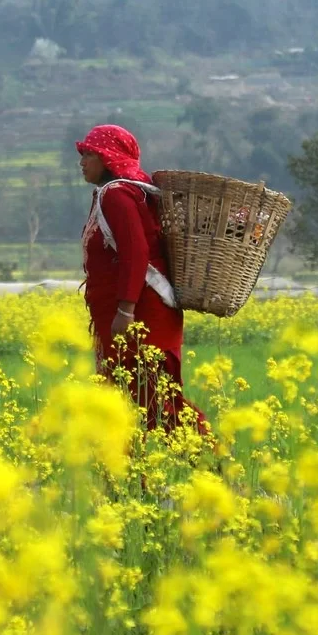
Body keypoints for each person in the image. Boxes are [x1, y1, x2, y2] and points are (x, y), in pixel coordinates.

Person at [76, 124, 210, 436]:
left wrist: (125, 310)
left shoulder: (117, 196)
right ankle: (133, 480)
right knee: (130, 403)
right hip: (136, 313)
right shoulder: (124, 192)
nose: (82, 162)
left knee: (158, 403)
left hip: (142, 315)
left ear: (108, 158)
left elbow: (136, 253)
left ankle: (216, 467)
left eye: (89, 154)